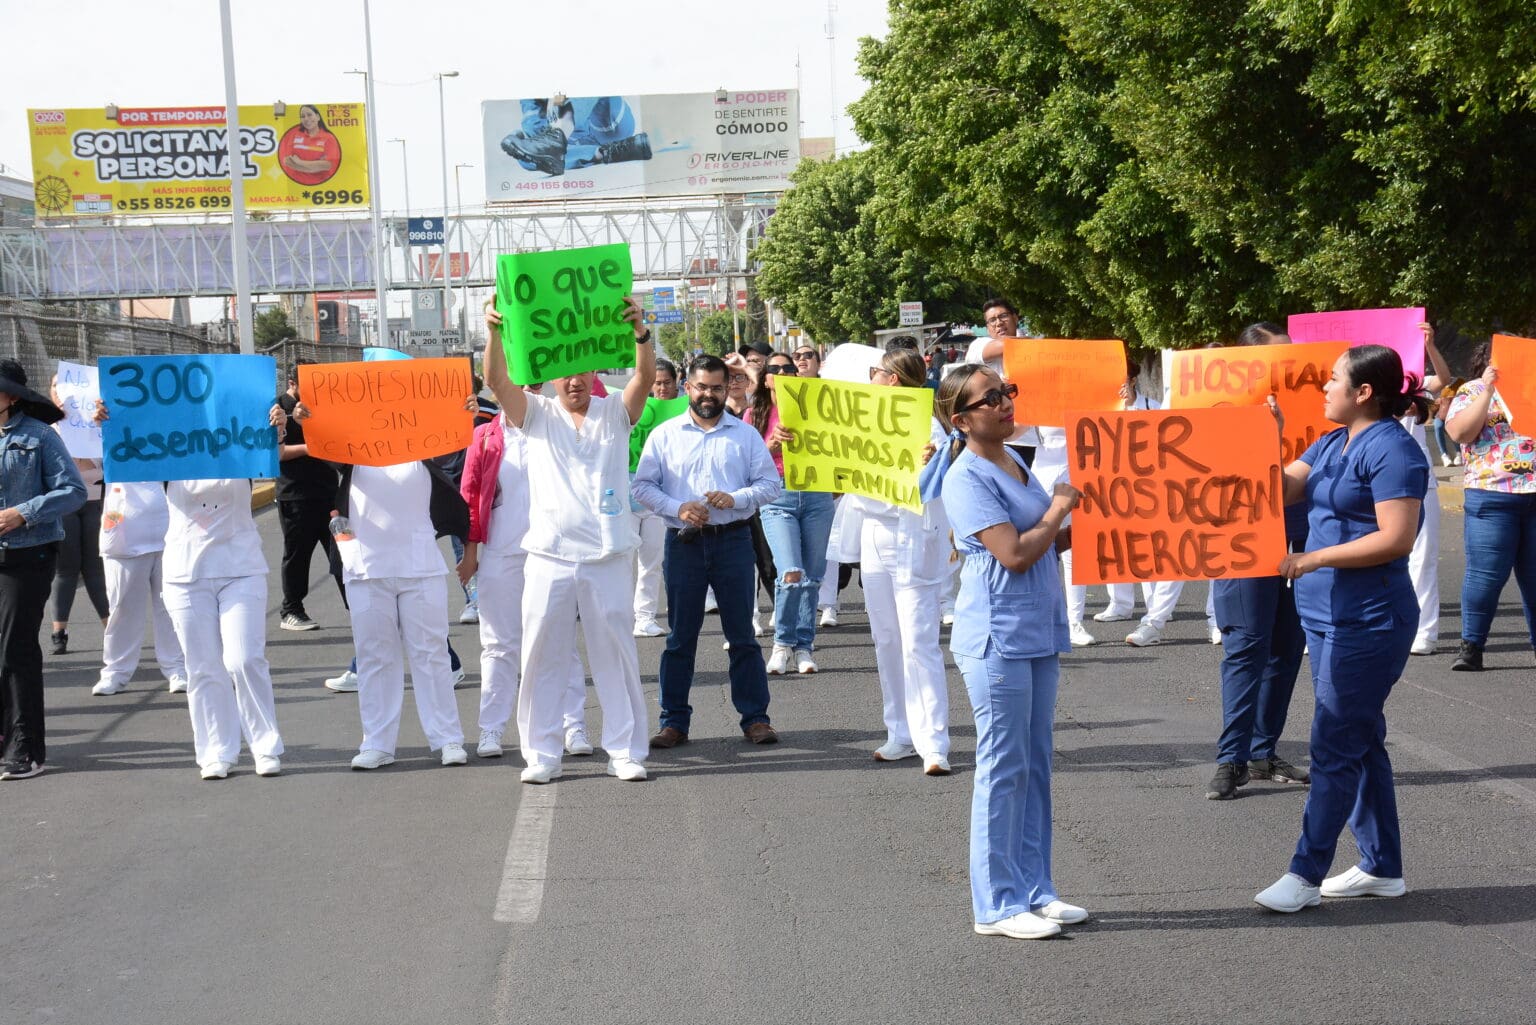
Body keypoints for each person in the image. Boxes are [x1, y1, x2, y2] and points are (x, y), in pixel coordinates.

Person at [1254, 345, 1428, 913]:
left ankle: (1305, 874)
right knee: (1360, 736)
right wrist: (1267, 438)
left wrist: (1313, 559)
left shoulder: (1395, 451)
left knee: (1333, 741)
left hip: (1371, 619)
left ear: (1363, 393)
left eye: (1332, 381)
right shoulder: (1330, 441)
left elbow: (1396, 538)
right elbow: (1278, 491)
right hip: (1325, 616)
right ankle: (1382, 867)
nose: (1323, 389)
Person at [930, 363, 1087, 939]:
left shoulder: (1015, 461)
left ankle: (1035, 890)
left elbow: (1048, 537)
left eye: (1006, 392)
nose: (1004, 403)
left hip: (1037, 629)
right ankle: (995, 904)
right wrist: (1058, 510)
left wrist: (1096, 512)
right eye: (989, 398)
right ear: (961, 418)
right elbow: (1016, 553)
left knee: (1036, 763)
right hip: (996, 636)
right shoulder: (965, 477)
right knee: (1002, 766)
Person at [483, 296, 655, 785]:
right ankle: (541, 754)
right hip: (548, 557)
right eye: (565, 373)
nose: (574, 381)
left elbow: (642, 379)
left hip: (606, 556)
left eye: (583, 372)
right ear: (552, 375)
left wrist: (641, 331)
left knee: (616, 657)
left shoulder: (614, 412)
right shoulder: (535, 414)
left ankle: (623, 750)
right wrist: (493, 331)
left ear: (595, 372)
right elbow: (496, 381)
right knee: (540, 656)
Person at [100, 400, 290, 780]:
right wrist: (108, 422)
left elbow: (272, 455)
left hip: (241, 568)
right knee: (202, 666)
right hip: (186, 573)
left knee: (243, 659)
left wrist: (278, 427)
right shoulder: (170, 452)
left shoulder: (241, 444)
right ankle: (216, 749)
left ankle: (265, 745)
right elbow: (125, 452)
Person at [294, 402, 475, 771]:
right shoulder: (350, 452)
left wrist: (463, 412)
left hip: (419, 567)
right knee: (375, 657)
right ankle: (377, 743)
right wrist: (306, 421)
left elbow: (455, 439)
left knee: (432, 655)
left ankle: (448, 739)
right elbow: (320, 445)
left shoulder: (426, 447)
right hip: (366, 568)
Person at [632, 354, 782, 747]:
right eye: (701, 387)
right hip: (684, 544)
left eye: (717, 387)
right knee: (681, 638)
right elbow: (643, 487)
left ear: (727, 388)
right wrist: (677, 508)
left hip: (733, 540)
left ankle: (755, 718)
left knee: (742, 636)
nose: (709, 395)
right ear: (688, 388)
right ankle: (673, 722)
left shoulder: (744, 435)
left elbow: (770, 485)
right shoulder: (664, 435)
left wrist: (736, 498)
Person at [1204, 326, 1311, 800]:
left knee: (1287, 647)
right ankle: (1232, 760)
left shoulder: (1316, 408)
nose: (1286, 369)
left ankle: (1264, 753)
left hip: (1303, 537)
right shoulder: (1216, 411)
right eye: (1275, 361)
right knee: (1247, 646)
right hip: (1242, 538)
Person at [459, 403, 592, 759]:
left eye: (526, 386)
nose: (519, 393)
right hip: (502, 551)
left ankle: (573, 724)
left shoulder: (556, 428)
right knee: (498, 644)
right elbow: (471, 496)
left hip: (551, 552)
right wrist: (470, 553)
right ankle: (491, 728)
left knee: (559, 641)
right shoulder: (485, 436)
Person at [840, 349, 951, 774]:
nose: (871, 378)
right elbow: (838, 467)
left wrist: (931, 459)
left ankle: (934, 742)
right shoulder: (861, 417)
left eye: (877, 372)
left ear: (895, 379)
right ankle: (900, 732)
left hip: (913, 532)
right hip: (874, 531)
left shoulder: (928, 424)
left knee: (919, 640)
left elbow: (939, 478)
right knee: (886, 638)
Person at [0, 360, 85, 781]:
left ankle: (27, 749)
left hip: (26, 554)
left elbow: (73, 489)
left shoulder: (37, 437)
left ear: (11, 397)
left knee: (15, 649)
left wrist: (23, 513)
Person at [1443, 341, 1536, 671]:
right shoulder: (1471, 390)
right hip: (1492, 495)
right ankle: (1472, 646)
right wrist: (1487, 389)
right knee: (1485, 576)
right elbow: (1459, 432)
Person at [1091, 357, 1188, 646]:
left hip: (1149, 486)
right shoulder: (1098, 407)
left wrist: (1132, 404)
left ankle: (1156, 609)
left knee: (1155, 548)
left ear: (1132, 380)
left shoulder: (1151, 406)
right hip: (1114, 484)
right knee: (1122, 545)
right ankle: (1122, 604)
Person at [757, 348, 836, 675]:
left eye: (788, 368)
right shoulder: (756, 415)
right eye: (774, 368)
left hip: (817, 494)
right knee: (790, 571)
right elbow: (744, 466)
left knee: (812, 576)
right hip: (778, 496)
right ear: (765, 379)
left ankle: (804, 646)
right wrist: (770, 447)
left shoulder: (818, 409)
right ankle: (782, 644)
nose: (782, 373)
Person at [92, 481, 187, 696]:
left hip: (170, 530)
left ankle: (177, 668)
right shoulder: (106, 447)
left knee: (171, 606)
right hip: (122, 533)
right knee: (122, 608)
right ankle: (115, 672)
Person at [275, 361, 344, 633]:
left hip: (328, 493)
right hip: (295, 495)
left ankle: (359, 605)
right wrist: (310, 447)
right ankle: (291, 609)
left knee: (342, 554)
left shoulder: (324, 406)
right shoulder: (278, 409)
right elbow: (277, 453)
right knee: (298, 555)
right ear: (293, 384)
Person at [1405, 322, 1453, 656]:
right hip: (1366, 474)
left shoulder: (1412, 383)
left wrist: (1430, 346)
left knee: (1421, 556)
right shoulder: (1356, 385)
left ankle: (1424, 631)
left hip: (1417, 473)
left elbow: (1443, 381)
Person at [632, 358, 678, 637]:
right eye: (656, 383)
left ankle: (645, 617)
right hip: (623, 499)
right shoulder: (632, 408)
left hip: (659, 500)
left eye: (666, 383)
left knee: (651, 562)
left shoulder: (684, 413)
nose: (661, 388)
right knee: (622, 563)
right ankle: (621, 615)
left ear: (676, 384)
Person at [278, 104, 341, 186]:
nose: (306, 119)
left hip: (321, 184)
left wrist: (299, 162)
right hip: (295, 184)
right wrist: (315, 166)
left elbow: (327, 165)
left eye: (309, 115)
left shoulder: (329, 138)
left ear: (318, 117)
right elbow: (287, 161)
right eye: (303, 116)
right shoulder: (295, 135)